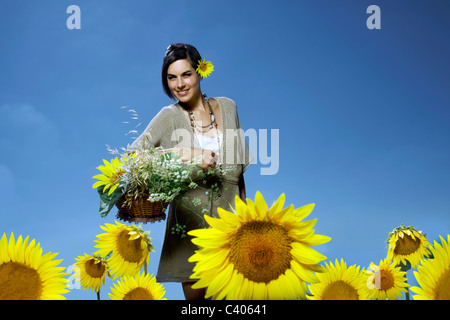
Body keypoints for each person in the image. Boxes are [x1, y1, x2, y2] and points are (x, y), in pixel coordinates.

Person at [128, 43, 253, 300]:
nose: (179, 84)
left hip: (230, 227)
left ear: (199, 73)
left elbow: (239, 176)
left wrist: (247, 219)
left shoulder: (228, 107)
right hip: (188, 230)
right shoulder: (168, 116)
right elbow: (133, 158)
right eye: (171, 77)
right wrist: (185, 153)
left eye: (186, 74)